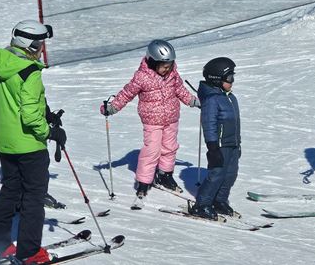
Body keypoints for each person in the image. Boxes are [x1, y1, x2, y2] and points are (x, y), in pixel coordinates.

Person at [0, 20, 65, 264]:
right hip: (29, 145)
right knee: (34, 197)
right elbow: (30, 115)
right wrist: (49, 131)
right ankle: (30, 253)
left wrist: (8, 107)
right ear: (31, 45)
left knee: (10, 191)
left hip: (5, 143)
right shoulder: (29, 71)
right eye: (41, 44)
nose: (42, 49)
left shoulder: (0, 63)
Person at [100, 40, 199, 202]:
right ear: (152, 62)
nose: (167, 69)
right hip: (152, 121)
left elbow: (181, 91)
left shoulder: (172, 74)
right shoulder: (142, 77)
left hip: (172, 118)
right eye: (164, 66)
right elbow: (126, 93)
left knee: (170, 147)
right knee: (152, 150)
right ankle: (144, 180)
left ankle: (165, 175)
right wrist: (113, 107)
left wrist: (193, 101)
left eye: (170, 65)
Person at [189, 58, 241, 220]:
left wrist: (238, 144)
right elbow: (209, 123)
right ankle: (202, 204)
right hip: (218, 145)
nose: (232, 81)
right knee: (217, 174)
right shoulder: (212, 100)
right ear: (217, 79)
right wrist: (212, 147)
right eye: (229, 78)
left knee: (231, 174)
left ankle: (219, 201)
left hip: (232, 144)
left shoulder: (230, 97)